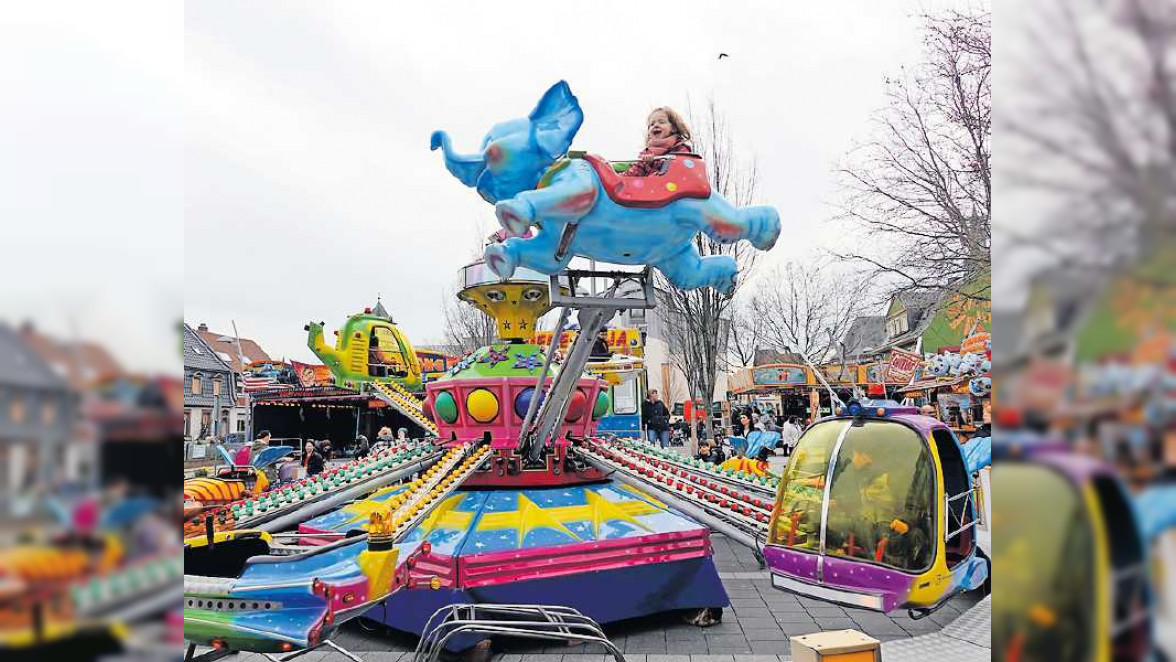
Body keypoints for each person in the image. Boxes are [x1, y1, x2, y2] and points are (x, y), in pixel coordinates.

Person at [622, 107, 693, 178]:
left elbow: (680, 170)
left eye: (661, 122)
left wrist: (654, 163)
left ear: (673, 128)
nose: (656, 125)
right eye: (652, 124)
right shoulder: (646, 153)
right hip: (650, 188)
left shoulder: (680, 148)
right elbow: (633, 174)